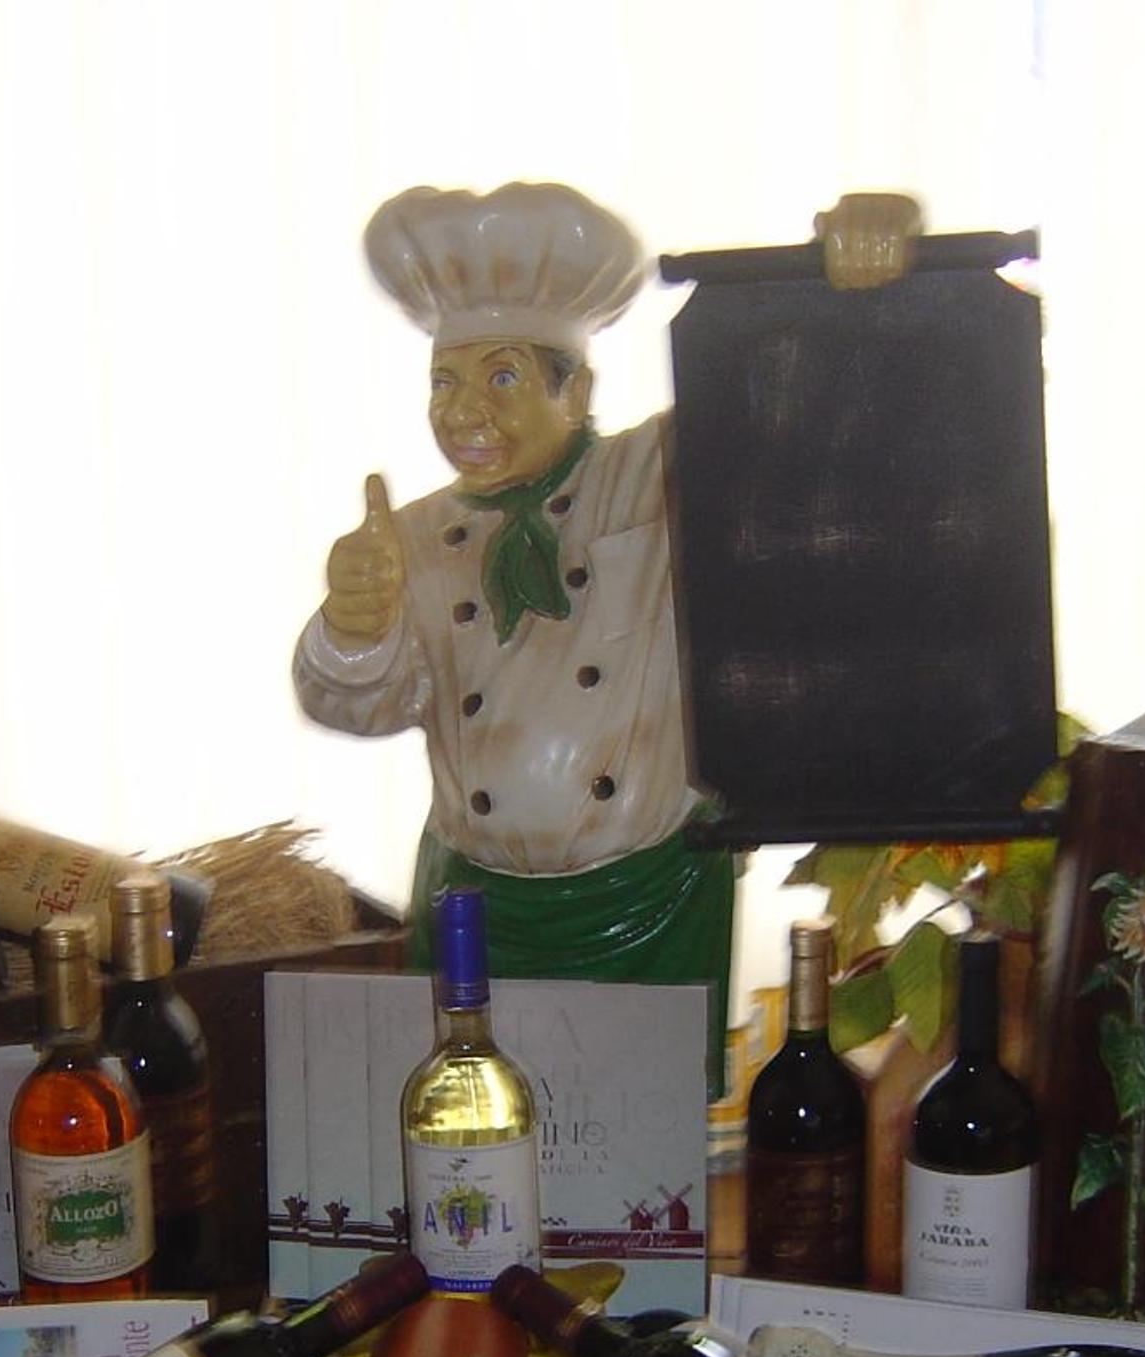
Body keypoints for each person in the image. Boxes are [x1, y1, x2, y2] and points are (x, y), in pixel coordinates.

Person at [293, 183, 920, 1088]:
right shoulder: (414, 538)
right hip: (478, 907)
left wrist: (859, 284)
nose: (463, 413)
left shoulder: (659, 472)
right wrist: (355, 625)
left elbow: (805, 404)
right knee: (471, 1131)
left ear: (576, 389)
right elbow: (361, 705)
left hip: (649, 899)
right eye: (444, 382)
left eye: (500, 378)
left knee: (640, 1146)